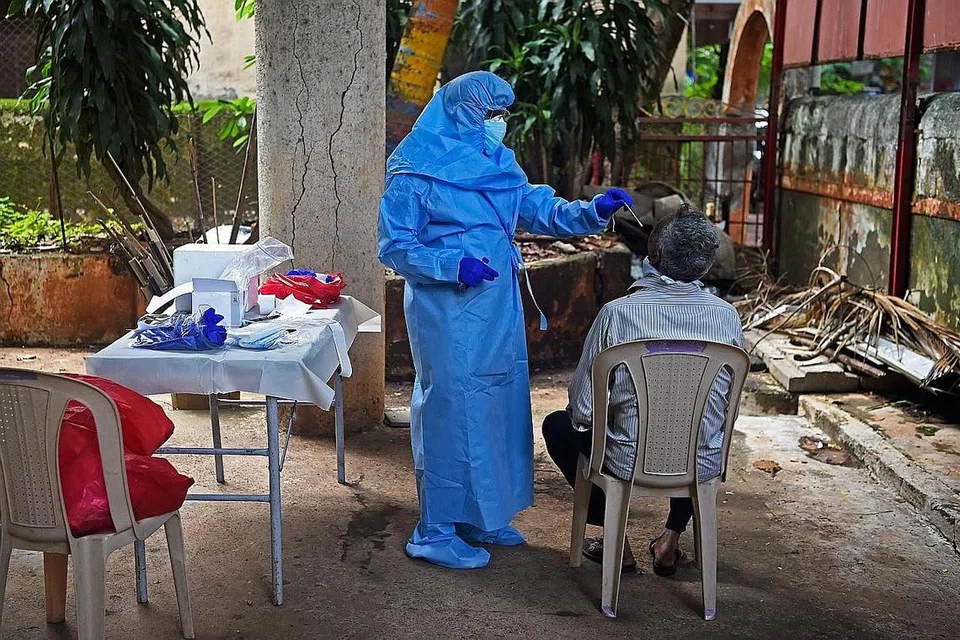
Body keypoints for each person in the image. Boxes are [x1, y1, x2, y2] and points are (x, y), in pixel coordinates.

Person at [378, 71, 633, 570]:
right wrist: (451, 265)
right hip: (446, 310)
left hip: (495, 307)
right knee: (450, 409)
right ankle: (434, 529)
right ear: (460, 113)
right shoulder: (415, 170)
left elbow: (535, 207)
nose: (498, 124)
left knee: (497, 404)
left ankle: (480, 513)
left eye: (501, 115)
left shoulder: (496, 162)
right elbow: (394, 246)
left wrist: (590, 211)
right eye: (489, 114)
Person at [542, 204, 743, 575]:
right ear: (705, 264)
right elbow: (726, 406)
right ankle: (670, 541)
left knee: (558, 426)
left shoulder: (618, 314)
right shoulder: (727, 317)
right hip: (699, 463)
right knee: (697, 430)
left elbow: (583, 413)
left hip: (626, 460)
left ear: (654, 256)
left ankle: (619, 546)